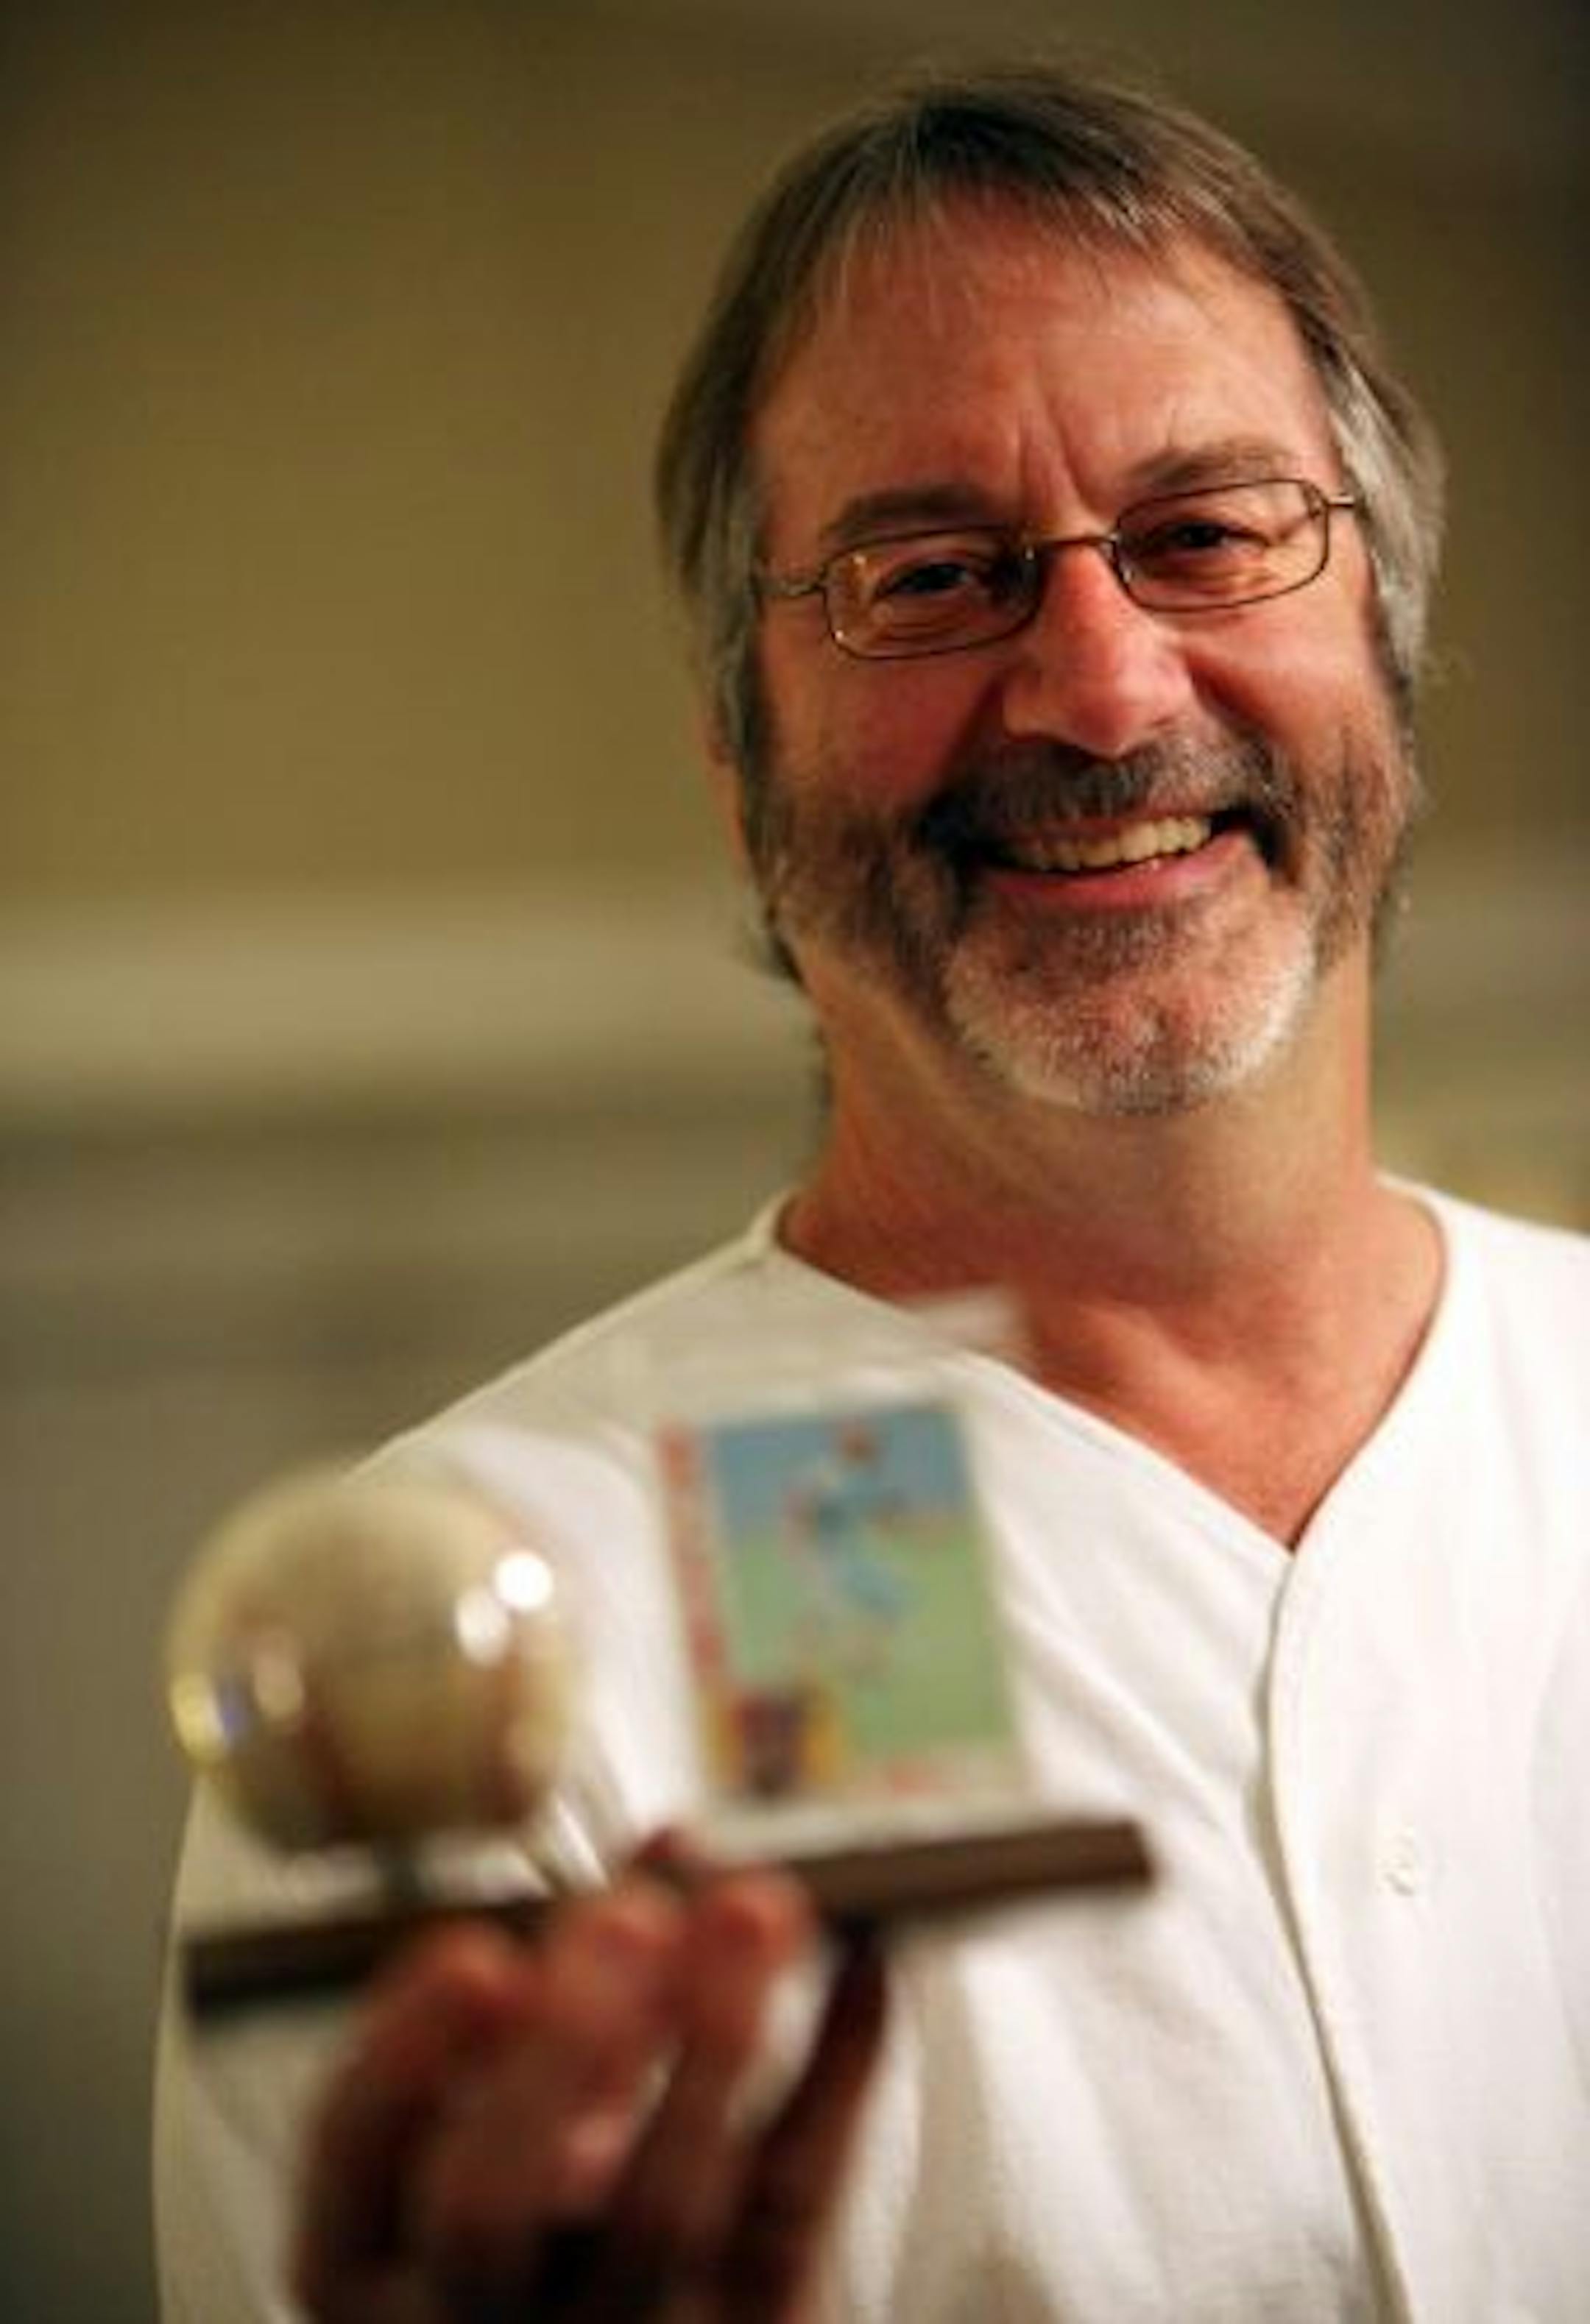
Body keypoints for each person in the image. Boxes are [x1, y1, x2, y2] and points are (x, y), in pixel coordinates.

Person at [155, 60, 1590, 2323]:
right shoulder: (474, 1664)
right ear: (741, 768)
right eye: (931, 576)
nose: (1106, 687)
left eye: (1211, 531)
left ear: (1387, 660)